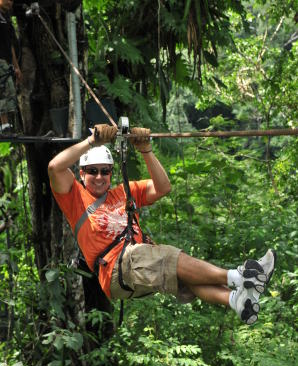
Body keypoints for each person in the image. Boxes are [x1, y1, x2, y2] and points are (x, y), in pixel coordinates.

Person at [48, 124, 276, 325]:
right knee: (170, 258)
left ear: (111, 173)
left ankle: (235, 300)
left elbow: (163, 188)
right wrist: (91, 142)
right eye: (92, 171)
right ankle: (241, 276)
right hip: (117, 267)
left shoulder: (124, 192)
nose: (99, 177)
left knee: (186, 275)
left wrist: (145, 150)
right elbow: (54, 167)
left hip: (136, 263)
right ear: (81, 173)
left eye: (105, 171)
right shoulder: (74, 197)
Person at [0, 0, 21, 133]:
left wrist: (16, 66)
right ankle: (4, 125)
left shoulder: (6, 19)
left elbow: (10, 45)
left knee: (9, 92)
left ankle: (6, 126)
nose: (9, 2)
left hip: (6, 61)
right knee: (3, 90)